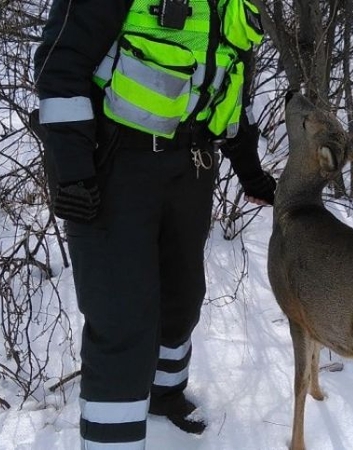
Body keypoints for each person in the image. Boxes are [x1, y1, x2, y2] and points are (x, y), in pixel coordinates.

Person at [31, 1, 275, 448]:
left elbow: (228, 89)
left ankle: (164, 394)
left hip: (192, 166)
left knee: (182, 299)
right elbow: (60, 68)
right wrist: (73, 172)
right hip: (114, 167)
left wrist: (250, 169)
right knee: (121, 318)